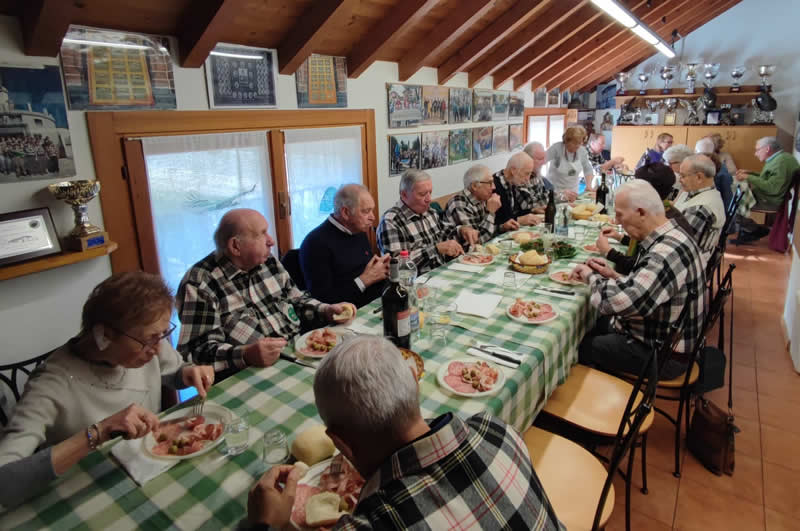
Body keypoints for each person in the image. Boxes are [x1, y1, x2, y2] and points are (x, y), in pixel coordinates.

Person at [247, 335, 564, 530]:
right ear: (415, 384)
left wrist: (267, 524)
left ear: (340, 443)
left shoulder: (371, 522)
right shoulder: (496, 429)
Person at [0, 272, 215, 508]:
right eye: (149, 339)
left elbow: (174, 372)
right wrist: (98, 432)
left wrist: (187, 373)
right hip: (87, 495)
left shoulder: (150, 346)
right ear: (104, 335)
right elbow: (5, 482)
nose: (157, 348)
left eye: (162, 335)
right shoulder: (50, 384)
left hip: (148, 471)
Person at [177, 209, 354, 378]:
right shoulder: (200, 283)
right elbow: (197, 353)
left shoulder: (267, 262)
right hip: (251, 374)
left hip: (301, 355)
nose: (271, 241)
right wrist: (246, 355)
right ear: (235, 246)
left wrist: (326, 310)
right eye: (262, 234)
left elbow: (296, 300)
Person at [571, 180, 706, 380]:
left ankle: (597, 401)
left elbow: (618, 303)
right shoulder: (672, 235)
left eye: (620, 214)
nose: (616, 221)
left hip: (663, 355)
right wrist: (614, 275)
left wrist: (588, 275)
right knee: (590, 324)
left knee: (577, 345)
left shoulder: (665, 253)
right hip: (664, 336)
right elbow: (650, 289)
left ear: (641, 212)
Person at [299, 184, 389, 308]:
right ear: (346, 212)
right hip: (347, 313)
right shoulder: (315, 243)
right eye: (366, 211)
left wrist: (383, 268)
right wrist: (364, 280)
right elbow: (323, 300)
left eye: (372, 210)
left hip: (374, 302)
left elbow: (366, 270)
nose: (372, 217)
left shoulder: (358, 230)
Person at [597, 163, 693, 274]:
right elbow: (645, 246)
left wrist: (609, 252)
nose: (617, 221)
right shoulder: (666, 211)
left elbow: (638, 265)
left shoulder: (661, 221)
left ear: (647, 191)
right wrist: (620, 237)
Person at [377, 169, 476, 274]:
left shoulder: (429, 212)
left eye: (430, 192)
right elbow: (396, 267)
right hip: (416, 282)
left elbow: (443, 232)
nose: (429, 199)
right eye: (422, 194)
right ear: (404, 195)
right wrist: (436, 249)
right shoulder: (390, 222)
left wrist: (461, 230)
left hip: (442, 272)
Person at [734, 136, 800, 242]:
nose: (756, 154)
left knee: (732, 204)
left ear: (767, 149)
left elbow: (773, 188)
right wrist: (751, 173)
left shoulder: (780, 163)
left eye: (757, 150)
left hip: (769, 200)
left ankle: (755, 230)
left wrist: (748, 177)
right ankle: (753, 229)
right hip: (769, 197)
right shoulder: (782, 158)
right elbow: (769, 178)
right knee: (735, 196)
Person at [444, 164, 517, 243]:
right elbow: (476, 240)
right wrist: (491, 212)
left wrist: (502, 227)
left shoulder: (481, 198)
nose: (494, 187)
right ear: (474, 186)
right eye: (490, 183)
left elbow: (481, 228)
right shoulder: (459, 204)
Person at [674, 154, 726, 263]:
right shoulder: (706, 192)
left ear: (699, 177)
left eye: (683, 176)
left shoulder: (700, 208)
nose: (680, 180)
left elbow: (678, 244)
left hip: (687, 261)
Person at [492, 151, 542, 228]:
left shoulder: (513, 181)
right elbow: (495, 221)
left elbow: (515, 212)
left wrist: (533, 210)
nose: (528, 179)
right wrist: (519, 220)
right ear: (513, 170)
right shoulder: (493, 186)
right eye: (526, 173)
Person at [545, 126, 594, 197]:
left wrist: (588, 185)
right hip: (555, 191)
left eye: (580, 143)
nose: (577, 146)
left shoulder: (582, 151)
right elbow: (541, 160)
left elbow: (588, 169)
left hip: (573, 191)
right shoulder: (556, 148)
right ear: (567, 140)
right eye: (574, 143)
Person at [695, 137, 733, 212]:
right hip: (706, 204)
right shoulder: (721, 167)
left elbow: (727, 197)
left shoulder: (720, 171)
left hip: (712, 208)